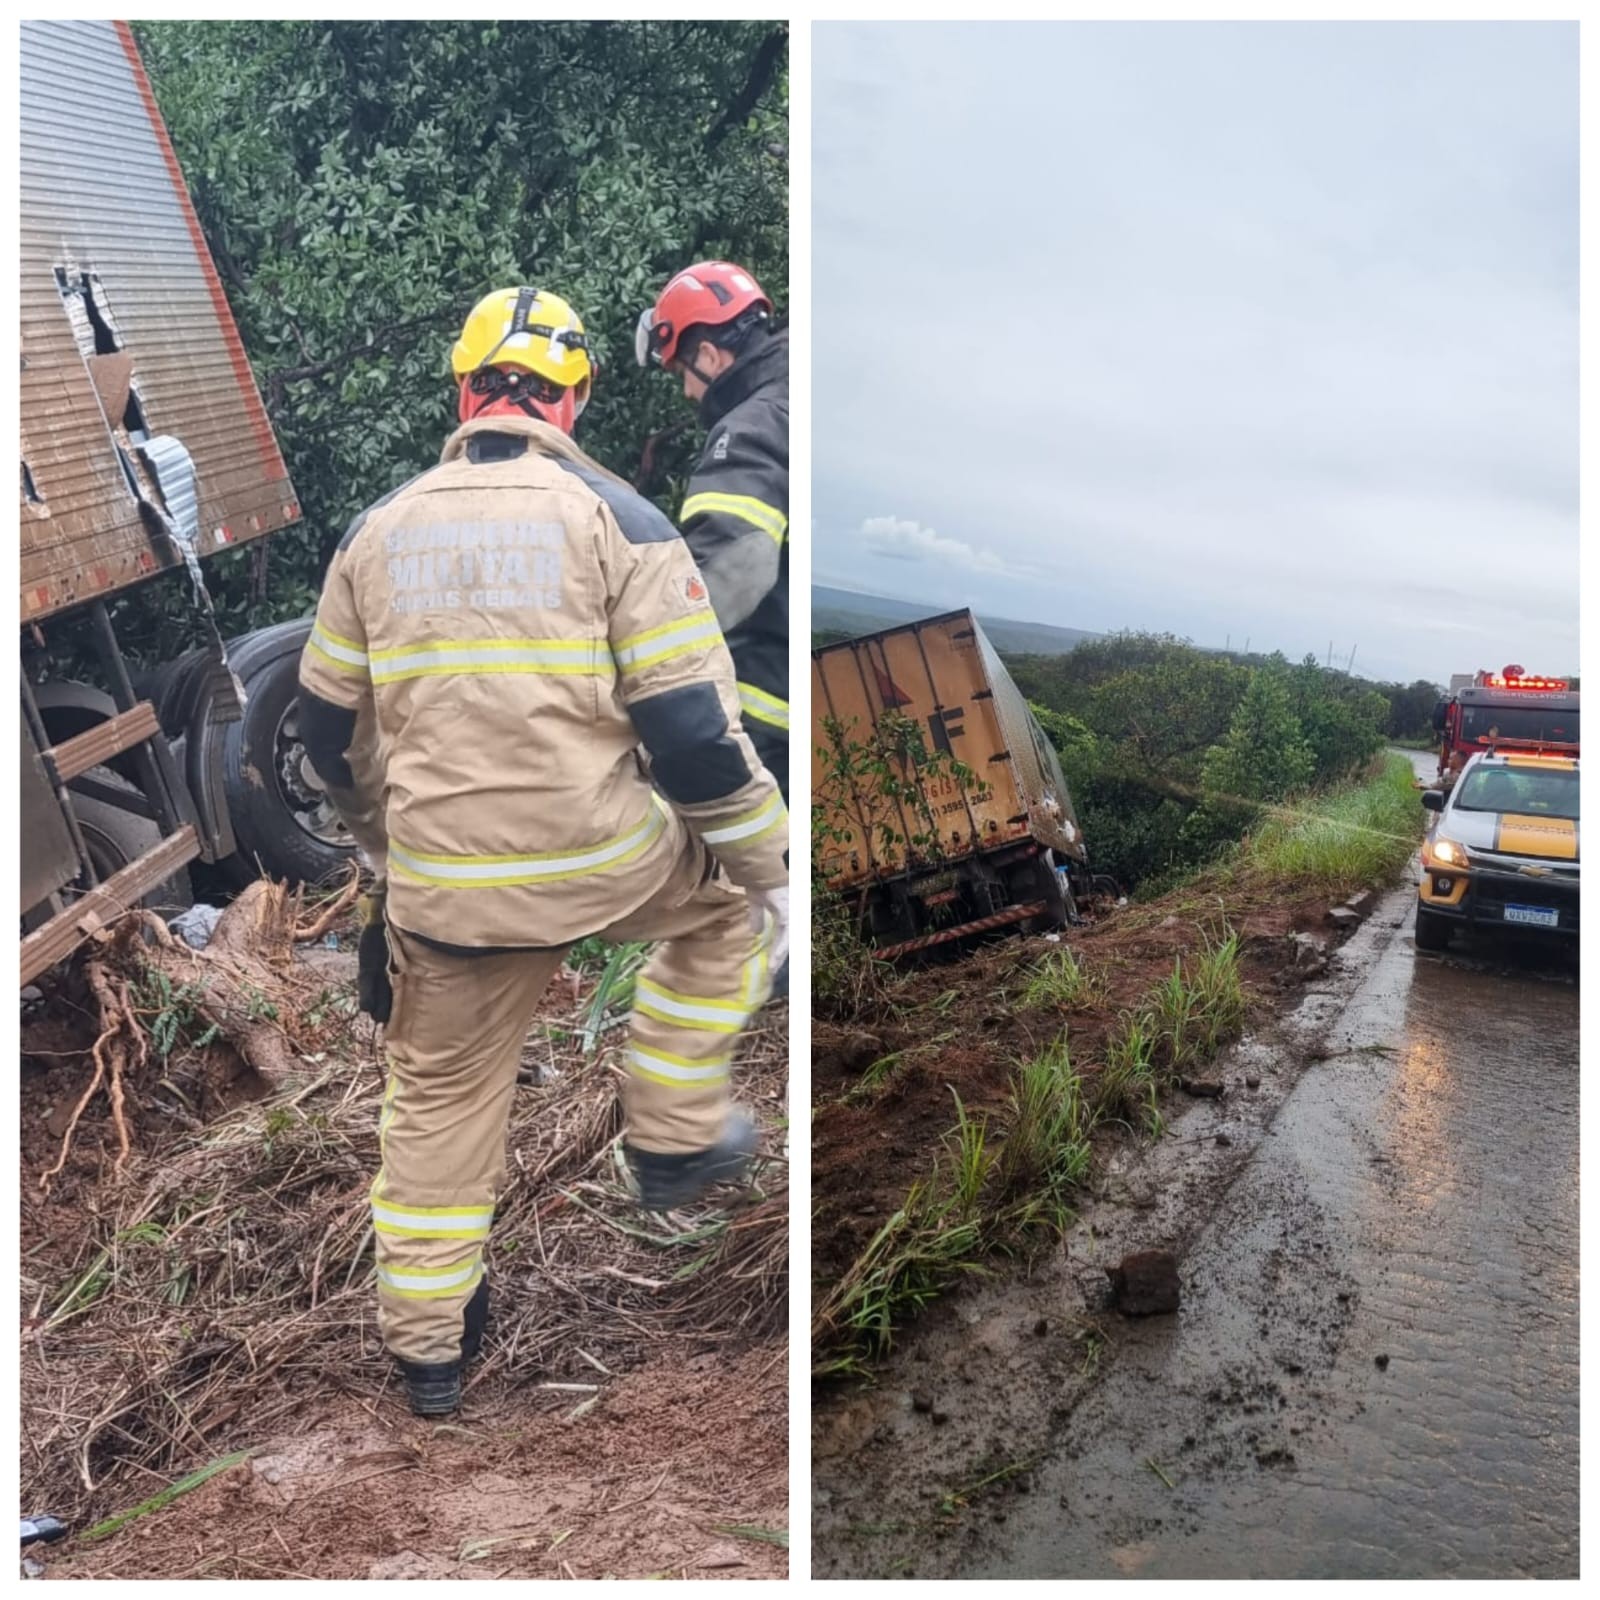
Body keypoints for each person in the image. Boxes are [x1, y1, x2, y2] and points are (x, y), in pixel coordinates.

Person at [296, 286, 790, 1417]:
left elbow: (323, 736)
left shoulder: (373, 533)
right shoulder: (624, 522)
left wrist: (384, 844)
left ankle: (427, 1355)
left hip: (446, 896)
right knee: (719, 913)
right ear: (570, 398)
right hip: (605, 858)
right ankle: (668, 1140)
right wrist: (769, 871)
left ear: (466, 391)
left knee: (437, 1107)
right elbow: (692, 740)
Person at [635, 261, 788, 800]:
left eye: (682, 373)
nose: (686, 393)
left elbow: (735, 564)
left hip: (768, 731)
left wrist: (636, 663)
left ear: (707, 355)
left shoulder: (753, 426)